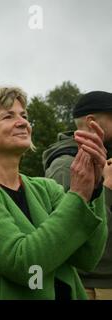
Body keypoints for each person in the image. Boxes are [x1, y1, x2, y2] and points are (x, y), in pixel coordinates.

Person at [0, 87, 107, 299]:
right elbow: (25, 266)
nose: (23, 122)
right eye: (8, 116)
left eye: (24, 115)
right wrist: (78, 195)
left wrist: (95, 189)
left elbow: (87, 257)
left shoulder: (46, 188)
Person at [42, 91, 112, 300]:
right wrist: (106, 189)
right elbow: (67, 233)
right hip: (92, 286)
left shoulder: (104, 160)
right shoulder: (65, 166)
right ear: (92, 123)